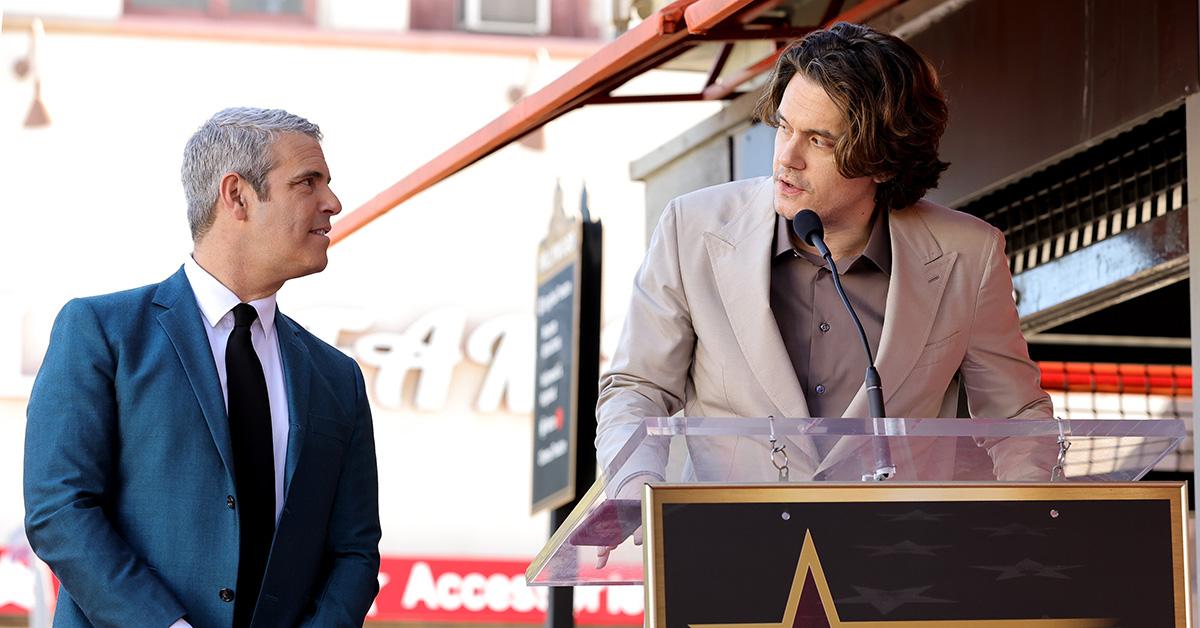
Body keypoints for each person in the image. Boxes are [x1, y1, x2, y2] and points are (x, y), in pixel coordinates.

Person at [595, 22, 1053, 494]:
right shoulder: (690, 229)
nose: (786, 158)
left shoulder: (969, 256)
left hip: (898, 556)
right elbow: (637, 389)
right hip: (731, 552)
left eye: (819, 140)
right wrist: (634, 490)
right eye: (784, 128)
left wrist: (1031, 526)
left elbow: (1016, 419)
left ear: (881, 159)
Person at [23, 107, 381, 627]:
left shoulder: (337, 378)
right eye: (308, 182)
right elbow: (60, 509)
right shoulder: (102, 331)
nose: (333, 202)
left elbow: (354, 551)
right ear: (236, 195)